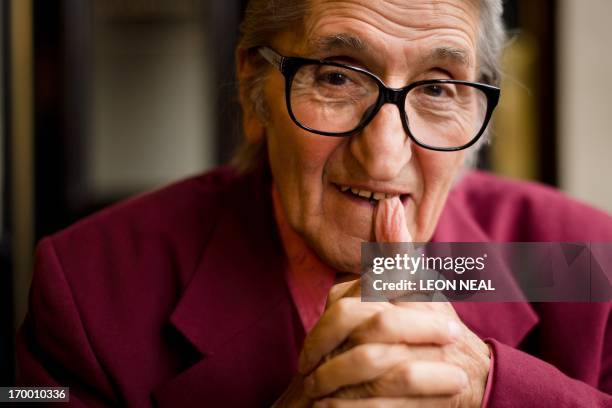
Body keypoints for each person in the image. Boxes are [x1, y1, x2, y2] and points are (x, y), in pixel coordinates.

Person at [16, 0, 612, 406]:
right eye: (336, 76)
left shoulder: (578, 259)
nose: (383, 157)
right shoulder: (90, 286)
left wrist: (490, 387)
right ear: (256, 91)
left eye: (436, 88)